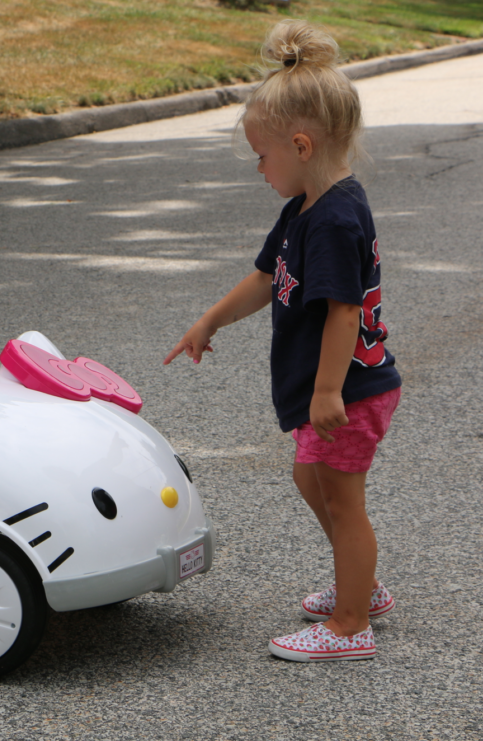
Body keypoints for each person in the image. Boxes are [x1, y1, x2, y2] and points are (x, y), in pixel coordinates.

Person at [163, 19, 402, 661]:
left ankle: (352, 623)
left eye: (261, 156)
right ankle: (362, 586)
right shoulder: (302, 209)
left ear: (300, 144)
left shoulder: (332, 219)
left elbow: (343, 312)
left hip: (348, 390)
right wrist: (209, 319)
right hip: (336, 388)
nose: (259, 169)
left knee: (344, 503)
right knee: (310, 476)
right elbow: (269, 277)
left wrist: (328, 390)